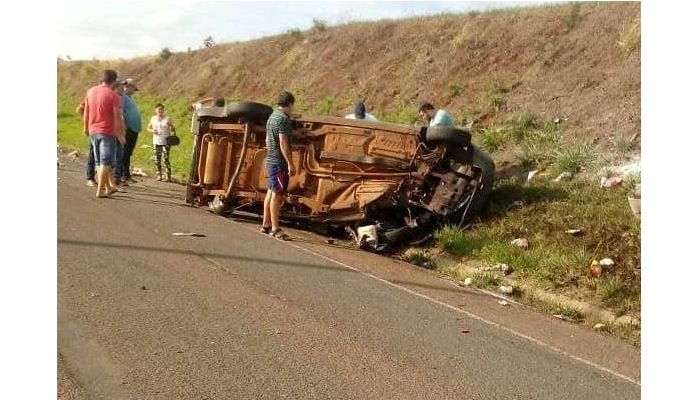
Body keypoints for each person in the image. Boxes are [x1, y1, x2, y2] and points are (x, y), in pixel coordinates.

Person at [82, 69, 125, 198]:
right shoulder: (113, 96)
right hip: (107, 131)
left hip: (93, 130)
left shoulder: (91, 91)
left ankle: (107, 188)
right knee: (105, 162)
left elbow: (86, 111)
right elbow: (117, 117)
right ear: (115, 80)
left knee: (99, 161)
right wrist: (120, 134)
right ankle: (100, 190)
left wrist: (85, 127)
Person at [261, 91, 296, 240]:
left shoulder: (272, 117)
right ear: (289, 104)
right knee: (277, 194)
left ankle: (265, 224)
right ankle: (275, 228)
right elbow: (283, 142)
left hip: (270, 159)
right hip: (279, 162)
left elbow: (268, 140)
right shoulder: (283, 120)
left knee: (270, 192)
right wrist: (290, 163)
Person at [117, 78, 143, 185]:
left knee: (128, 153)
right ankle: (123, 175)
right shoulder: (122, 97)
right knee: (125, 152)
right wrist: (124, 127)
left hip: (133, 129)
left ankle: (126, 175)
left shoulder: (129, 98)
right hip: (128, 129)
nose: (134, 91)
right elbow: (121, 113)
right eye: (133, 88)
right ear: (127, 86)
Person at [146, 103, 175, 182]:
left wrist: (172, 128)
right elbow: (148, 128)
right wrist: (152, 131)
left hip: (166, 141)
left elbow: (173, 127)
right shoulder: (153, 118)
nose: (160, 111)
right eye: (159, 109)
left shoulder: (167, 118)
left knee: (166, 158)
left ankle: (168, 176)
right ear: (156, 110)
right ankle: (159, 175)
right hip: (156, 141)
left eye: (162, 109)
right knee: (157, 159)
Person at [76, 99, 96, 186]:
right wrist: (87, 123)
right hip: (95, 128)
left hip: (108, 130)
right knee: (93, 152)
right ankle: (90, 177)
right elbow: (80, 109)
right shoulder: (95, 94)